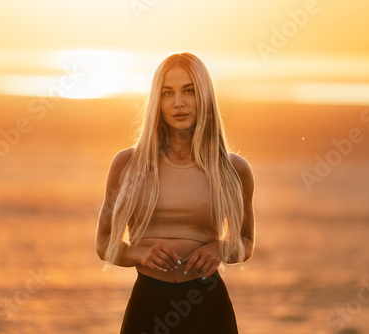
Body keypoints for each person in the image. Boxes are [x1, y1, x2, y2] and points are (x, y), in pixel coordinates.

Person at [96, 52, 255, 333]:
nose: (178, 103)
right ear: (157, 100)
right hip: (147, 303)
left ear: (204, 96)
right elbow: (104, 245)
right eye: (168, 93)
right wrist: (139, 254)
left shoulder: (232, 169)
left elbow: (246, 242)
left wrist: (219, 247)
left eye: (189, 91)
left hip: (207, 304)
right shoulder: (128, 164)